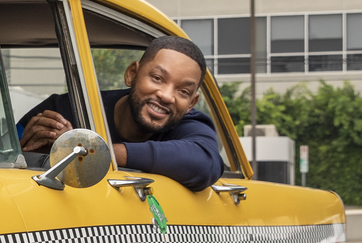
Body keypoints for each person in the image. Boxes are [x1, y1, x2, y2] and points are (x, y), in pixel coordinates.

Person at [17, 36, 224, 191]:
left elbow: (205, 163)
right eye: (157, 78)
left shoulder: (188, 124)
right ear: (131, 74)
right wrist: (29, 151)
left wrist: (93, 153)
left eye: (183, 91)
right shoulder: (65, 108)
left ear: (191, 103)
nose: (167, 96)